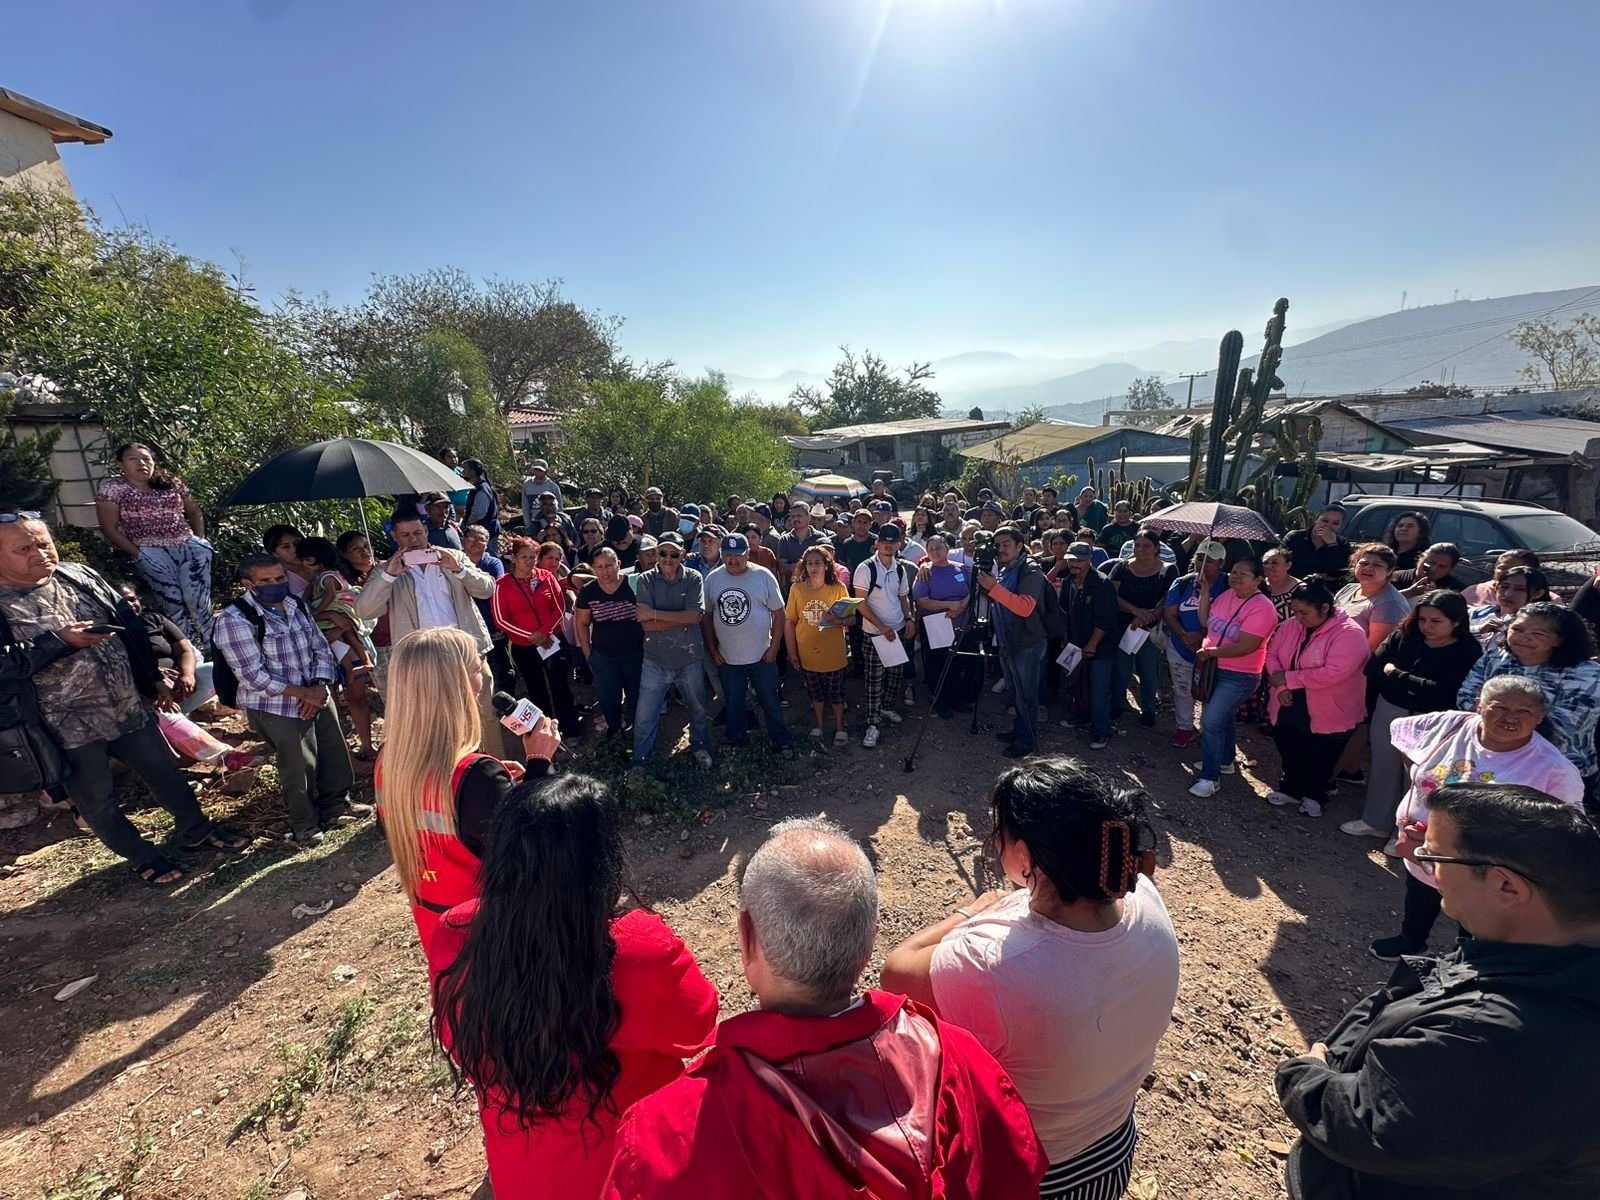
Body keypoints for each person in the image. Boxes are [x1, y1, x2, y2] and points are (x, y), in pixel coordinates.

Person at [602, 816, 1047, 1200]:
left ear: (747, 938)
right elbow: (1017, 1172)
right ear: (871, 942)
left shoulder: (662, 1134)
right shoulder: (958, 1057)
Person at [1279, 782, 1600, 1200]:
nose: (1422, 864)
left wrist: (1305, 1074)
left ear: (1508, 887)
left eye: (1433, 857)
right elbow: (1430, 983)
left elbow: (1370, 1127)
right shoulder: (1538, 945)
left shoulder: (1495, 1036)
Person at [881, 759, 1179, 1200]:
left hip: (1033, 1174)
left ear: (1023, 857)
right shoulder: (1146, 900)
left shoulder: (992, 964)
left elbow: (895, 972)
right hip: (1112, 1149)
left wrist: (971, 910)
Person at [431, 770, 716, 1200]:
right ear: (599, 863)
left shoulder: (454, 931)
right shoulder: (638, 950)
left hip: (520, 1175)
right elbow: (699, 1026)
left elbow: (457, 1037)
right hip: (623, 1174)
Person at [0, 514, 246, 884]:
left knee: (165, 771)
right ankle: (142, 856)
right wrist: (57, 642)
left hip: (128, 707)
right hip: (63, 729)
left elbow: (131, 628)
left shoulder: (79, 575)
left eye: (43, 543)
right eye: (23, 549)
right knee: (96, 799)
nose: (39, 553)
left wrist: (151, 680)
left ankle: (196, 829)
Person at [376, 627, 559, 948]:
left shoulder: (389, 759)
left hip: (437, 922)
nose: (483, 678)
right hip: (494, 929)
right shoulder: (474, 776)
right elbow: (530, 846)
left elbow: (393, 826)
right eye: (477, 668)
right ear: (455, 684)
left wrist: (504, 787)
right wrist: (539, 762)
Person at [215, 554, 363, 846]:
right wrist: (303, 693)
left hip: (316, 693)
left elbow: (320, 647)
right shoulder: (235, 619)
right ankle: (304, 825)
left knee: (333, 751)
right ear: (248, 584)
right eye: (265, 581)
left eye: (279, 578)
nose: (275, 584)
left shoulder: (296, 605)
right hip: (275, 704)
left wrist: (319, 687)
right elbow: (253, 676)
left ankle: (337, 806)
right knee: (298, 766)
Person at [355, 512, 508, 755]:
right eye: (405, 535)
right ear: (394, 536)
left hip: (466, 651)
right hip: (424, 660)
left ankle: (497, 771)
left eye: (417, 532)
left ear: (426, 531)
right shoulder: (387, 570)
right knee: (440, 722)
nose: (413, 539)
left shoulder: (453, 556)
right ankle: (456, 777)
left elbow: (488, 589)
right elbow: (364, 610)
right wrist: (388, 576)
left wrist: (458, 569)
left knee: (484, 713)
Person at [1344, 591, 1483, 843]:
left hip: (1432, 720)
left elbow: (1442, 690)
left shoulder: (1467, 651)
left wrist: (1397, 675)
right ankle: (1375, 821)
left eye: (1436, 621)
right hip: (1391, 709)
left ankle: (1405, 835)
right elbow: (1373, 669)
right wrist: (1414, 684)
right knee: (1383, 767)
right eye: (1422, 619)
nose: (1427, 626)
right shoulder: (1404, 636)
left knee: (1420, 777)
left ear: (1456, 621)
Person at [1458, 604, 1600, 808]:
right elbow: (1467, 698)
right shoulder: (1495, 657)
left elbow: (1564, 726)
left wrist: (1495, 719)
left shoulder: (1588, 673)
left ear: (1559, 639)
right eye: (1517, 629)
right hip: (1487, 762)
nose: (1523, 638)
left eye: (1537, 634)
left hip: (1554, 771)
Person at [1261, 581, 1371, 818]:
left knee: (1322, 753)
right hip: (1288, 700)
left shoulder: (1350, 633)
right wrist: (1282, 686)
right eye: (1295, 612)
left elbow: (1333, 672)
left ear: (1324, 608)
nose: (1298, 618)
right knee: (1288, 744)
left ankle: (1315, 794)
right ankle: (1291, 787)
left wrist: (1287, 679)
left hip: (1329, 705)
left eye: (1304, 613)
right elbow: (1272, 654)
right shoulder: (1291, 626)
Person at [94, 442, 217, 645]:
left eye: (146, 459)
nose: (142, 463)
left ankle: (214, 645)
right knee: (172, 601)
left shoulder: (171, 483)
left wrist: (200, 539)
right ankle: (189, 649)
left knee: (199, 601)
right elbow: (109, 528)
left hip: (188, 546)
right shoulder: (113, 489)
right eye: (133, 459)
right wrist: (140, 554)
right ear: (120, 464)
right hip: (150, 550)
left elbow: (194, 511)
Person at [1189, 557, 1278, 797]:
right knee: (1223, 718)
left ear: (1258, 580)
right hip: (1214, 667)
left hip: (1240, 675)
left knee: (1211, 721)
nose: (1235, 576)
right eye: (1234, 571)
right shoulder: (1227, 595)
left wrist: (1211, 652)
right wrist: (1205, 593)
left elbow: (1247, 646)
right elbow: (1207, 622)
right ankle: (1225, 761)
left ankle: (1210, 778)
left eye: (1243, 574)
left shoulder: (1262, 607)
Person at [703, 533, 792, 758]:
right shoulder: (713, 579)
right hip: (728, 657)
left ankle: (781, 741)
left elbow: (779, 614)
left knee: (770, 701)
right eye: (728, 555)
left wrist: (774, 648)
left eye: (738, 555)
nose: (733, 560)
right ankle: (736, 740)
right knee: (733, 703)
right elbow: (706, 617)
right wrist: (713, 650)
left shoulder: (763, 576)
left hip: (762, 655)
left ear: (747, 554)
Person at [632, 533, 713, 772]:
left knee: (697, 708)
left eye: (674, 554)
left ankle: (700, 746)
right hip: (655, 660)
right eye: (662, 553)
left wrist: (654, 614)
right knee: (644, 716)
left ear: (683, 556)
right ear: (655, 554)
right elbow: (644, 624)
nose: (667, 558)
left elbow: (694, 617)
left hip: (689, 658)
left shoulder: (693, 578)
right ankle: (640, 760)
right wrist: (681, 619)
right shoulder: (645, 580)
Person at [295, 536, 378, 761]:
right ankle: (343, 755)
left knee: (356, 696)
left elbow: (337, 610)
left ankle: (366, 746)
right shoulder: (317, 580)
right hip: (321, 645)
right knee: (331, 704)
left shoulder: (328, 579)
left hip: (335, 635)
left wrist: (319, 612)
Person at [492, 537, 584, 734]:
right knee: (536, 689)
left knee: (560, 684)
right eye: (524, 557)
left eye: (533, 557)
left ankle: (570, 729)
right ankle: (542, 733)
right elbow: (501, 619)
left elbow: (559, 606)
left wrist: (544, 632)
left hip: (552, 640)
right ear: (514, 558)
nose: (529, 561)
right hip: (524, 646)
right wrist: (531, 636)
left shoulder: (546, 577)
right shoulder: (502, 584)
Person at [978, 526, 1051, 758]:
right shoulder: (1006, 568)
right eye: (997, 545)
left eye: (1007, 544)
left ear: (1020, 546)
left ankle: (1026, 741)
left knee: (1026, 694)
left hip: (1026, 643)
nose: (1001, 549)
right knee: (1015, 691)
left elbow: (1025, 606)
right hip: (1008, 640)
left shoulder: (1030, 570)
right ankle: (1020, 730)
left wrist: (993, 588)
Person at [1103, 529, 1173, 729]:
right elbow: (1112, 595)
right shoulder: (1121, 567)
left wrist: (1147, 617)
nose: (1141, 550)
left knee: (1148, 670)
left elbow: (1169, 598)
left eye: (1146, 546)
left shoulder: (1168, 570)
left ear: (1157, 548)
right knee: (1122, 668)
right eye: (1137, 545)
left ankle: (1149, 709)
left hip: (1150, 629)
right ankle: (1118, 704)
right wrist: (1136, 612)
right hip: (1123, 627)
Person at [1161, 540, 1227, 749]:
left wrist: (1202, 636)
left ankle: (1209, 733)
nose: (1203, 564)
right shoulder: (1183, 583)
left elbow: (1231, 619)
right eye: (1199, 558)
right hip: (1181, 648)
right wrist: (1184, 635)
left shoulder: (1229, 586)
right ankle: (1184, 728)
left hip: (1215, 653)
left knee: (1211, 693)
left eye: (1210, 560)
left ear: (1221, 563)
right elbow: (1170, 614)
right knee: (1182, 690)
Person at [853, 525, 915, 749]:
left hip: (897, 630)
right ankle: (873, 723)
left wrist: (909, 619)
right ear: (877, 543)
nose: (889, 545)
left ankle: (887, 707)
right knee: (874, 679)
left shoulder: (899, 569)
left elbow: (903, 597)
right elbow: (860, 603)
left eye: (893, 541)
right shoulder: (865, 568)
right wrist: (881, 627)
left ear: (899, 544)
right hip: (874, 634)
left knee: (896, 674)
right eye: (885, 541)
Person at [784, 545, 852, 747]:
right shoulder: (797, 588)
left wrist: (838, 621)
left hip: (834, 651)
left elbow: (851, 618)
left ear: (827, 565)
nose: (814, 567)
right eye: (810, 563)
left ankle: (840, 726)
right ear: (804, 566)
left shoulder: (838, 587)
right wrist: (791, 651)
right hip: (807, 652)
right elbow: (790, 621)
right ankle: (819, 725)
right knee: (815, 693)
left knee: (837, 693)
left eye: (818, 563)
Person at [574, 547, 644, 739]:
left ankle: (637, 734)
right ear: (594, 569)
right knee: (608, 699)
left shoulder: (634, 585)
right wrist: (589, 655)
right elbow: (581, 623)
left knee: (636, 696)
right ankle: (614, 733)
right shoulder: (589, 591)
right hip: (603, 657)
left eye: (609, 565)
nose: (605, 571)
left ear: (618, 564)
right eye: (600, 567)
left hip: (635, 654)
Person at [1060, 542, 1118, 750]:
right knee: (1078, 684)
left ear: (1089, 560)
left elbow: (1104, 620)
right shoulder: (1069, 581)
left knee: (1099, 689)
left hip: (1100, 647)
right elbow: (1065, 611)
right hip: (1075, 643)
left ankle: (1101, 731)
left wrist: (1092, 645)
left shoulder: (1102, 584)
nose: (1075, 564)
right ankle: (1081, 716)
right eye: (1072, 559)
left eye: (1080, 560)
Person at [913, 533, 976, 720]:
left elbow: (973, 590)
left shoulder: (961, 569)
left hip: (962, 624)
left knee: (958, 664)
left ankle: (957, 699)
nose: (935, 552)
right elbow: (922, 601)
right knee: (938, 666)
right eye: (930, 549)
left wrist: (961, 607)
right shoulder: (925, 572)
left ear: (947, 548)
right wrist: (949, 606)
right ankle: (941, 702)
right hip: (937, 626)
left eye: (938, 547)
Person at [462, 523, 513, 691]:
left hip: (492, 622)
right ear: (463, 541)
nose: (476, 542)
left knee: (502, 666)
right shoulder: (454, 563)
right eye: (472, 538)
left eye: (481, 539)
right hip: (466, 625)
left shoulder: (493, 563)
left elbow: (495, 589)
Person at [1470, 565, 1550, 650]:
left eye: (1519, 589)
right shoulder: (1474, 614)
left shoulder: (1541, 624)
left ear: (1537, 594)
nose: (1508, 594)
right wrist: (1478, 630)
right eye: (1504, 587)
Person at [1282, 506, 1352, 583]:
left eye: (1335, 523)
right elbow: (1280, 562)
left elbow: (1339, 572)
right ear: (1317, 519)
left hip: (1323, 589)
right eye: (1325, 521)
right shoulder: (1294, 537)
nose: (1328, 526)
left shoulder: (1342, 543)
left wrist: (1332, 544)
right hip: (1291, 585)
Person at [1462, 549, 1542, 609]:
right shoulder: (1472, 592)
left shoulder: (1544, 598)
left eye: (1520, 589)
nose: (1508, 594)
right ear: (1495, 568)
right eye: (1502, 568)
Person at [1394, 541, 1467, 597]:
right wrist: (1410, 592)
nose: (1433, 569)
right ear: (1421, 558)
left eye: (1442, 566)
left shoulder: (1456, 589)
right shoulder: (1395, 577)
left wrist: (1436, 597)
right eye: (1431, 562)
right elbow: (1383, 600)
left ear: (1450, 569)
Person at [264, 523, 313, 598]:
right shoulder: (279, 581)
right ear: (274, 553)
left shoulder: (323, 565)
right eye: (285, 547)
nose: (294, 550)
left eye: (297, 543)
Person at [459, 458, 502, 542]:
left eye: (465, 468)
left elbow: (478, 513)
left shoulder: (481, 489)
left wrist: (467, 523)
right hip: (482, 531)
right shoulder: (476, 486)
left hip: (486, 531)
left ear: (473, 472)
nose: (463, 471)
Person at [520, 458, 562, 532]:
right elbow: (525, 505)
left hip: (550, 522)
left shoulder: (553, 487)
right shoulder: (527, 485)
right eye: (536, 470)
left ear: (546, 471)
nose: (538, 473)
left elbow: (559, 507)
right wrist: (527, 524)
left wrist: (558, 522)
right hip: (534, 522)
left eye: (540, 471)